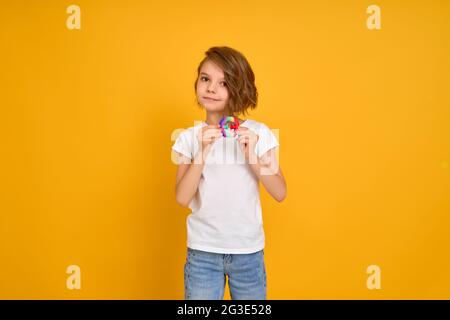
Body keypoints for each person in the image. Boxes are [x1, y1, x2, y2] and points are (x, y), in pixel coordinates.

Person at [171, 46, 287, 300]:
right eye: (205, 79)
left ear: (239, 88)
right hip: (202, 252)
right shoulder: (188, 137)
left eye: (223, 83)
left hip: (248, 252)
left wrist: (253, 156)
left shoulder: (259, 133)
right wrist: (201, 152)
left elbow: (280, 192)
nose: (211, 88)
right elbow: (181, 197)